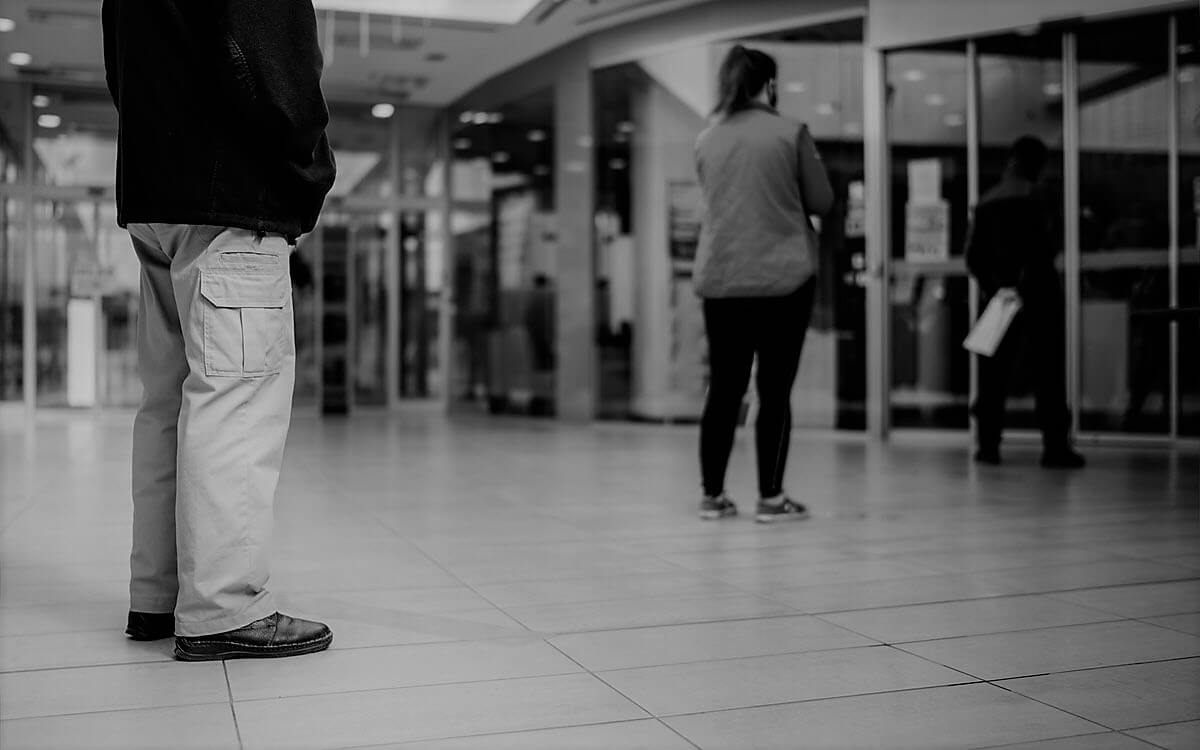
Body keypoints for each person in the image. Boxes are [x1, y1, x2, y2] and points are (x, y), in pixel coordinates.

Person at [103, 0, 337, 659]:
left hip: (154, 198)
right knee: (236, 402)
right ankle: (223, 606)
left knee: (167, 405)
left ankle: (157, 595)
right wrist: (311, 169)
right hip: (230, 196)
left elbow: (121, 74)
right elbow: (278, 68)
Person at [693, 45, 833, 523]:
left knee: (724, 389)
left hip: (722, 279)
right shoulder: (790, 132)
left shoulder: (707, 140)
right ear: (769, 84)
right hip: (783, 279)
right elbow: (822, 200)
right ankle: (771, 499)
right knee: (774, 390)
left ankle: (712, 496)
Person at [965, 136, 1084, 469]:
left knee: (993, 375)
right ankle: (1054, 447)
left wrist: (997, 287)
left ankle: (988, 446)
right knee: (1048, 371)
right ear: (1037, 165)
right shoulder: (1041, 198)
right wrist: (1027, 282)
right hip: (1039, 296)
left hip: (998, 298)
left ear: (1010, 161)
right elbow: (1050, 245)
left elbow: (973, 257)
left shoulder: (987, 201)